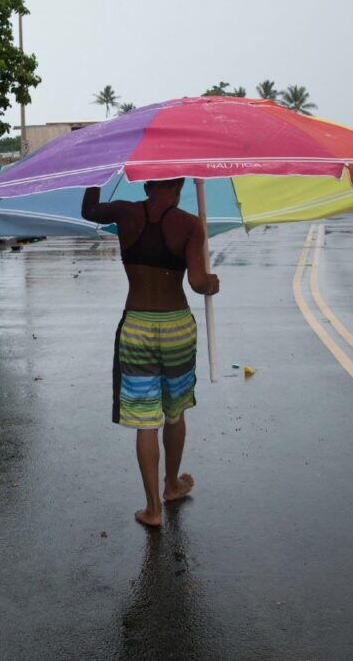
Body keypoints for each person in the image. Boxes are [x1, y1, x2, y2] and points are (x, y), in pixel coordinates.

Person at [82, 179, 219, 528]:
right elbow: (198, 283)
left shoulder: (125, 212)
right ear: (180, 185)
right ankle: (171, 486)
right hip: (176, 328)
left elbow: (89, 211)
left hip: (138, 325)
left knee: (145, 420)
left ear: (146, 183)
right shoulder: (189, 224)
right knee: (175, 411)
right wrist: (212, 283)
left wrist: (95, 177)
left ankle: (153, 510)